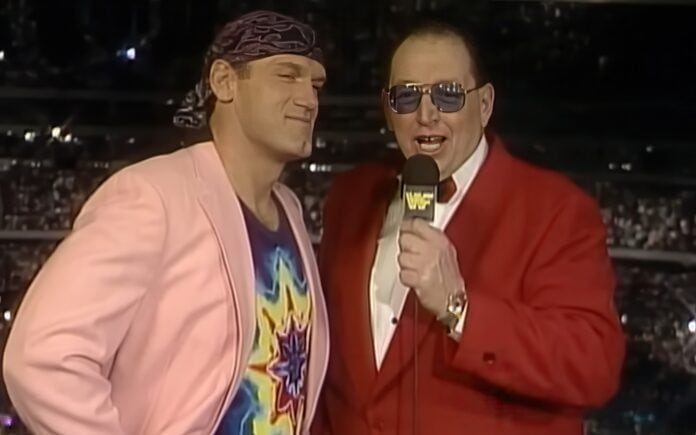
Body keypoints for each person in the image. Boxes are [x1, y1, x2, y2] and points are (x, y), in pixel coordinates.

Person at [3, 10, 329, 435]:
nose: (309, 99)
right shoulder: (154, 196)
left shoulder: (290, 210)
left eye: (315, 84)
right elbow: (42, 356)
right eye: (287, 75)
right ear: (224, 81)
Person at [313, 21, 625, 435]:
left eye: (448, 94)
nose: (426, 115)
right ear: (388, 110)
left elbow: (593, 366)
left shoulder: (557, 210)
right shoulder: (351, 196)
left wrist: (459, 308)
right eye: (407, 96)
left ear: (485, 104)